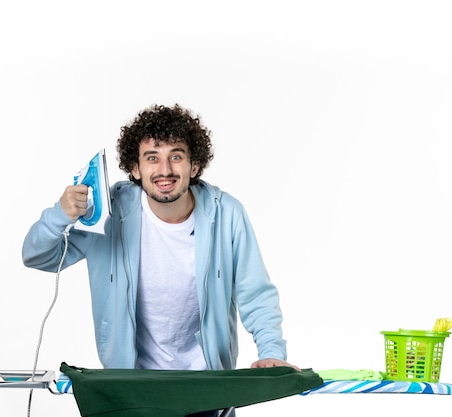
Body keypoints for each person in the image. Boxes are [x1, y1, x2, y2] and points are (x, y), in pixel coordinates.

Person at [22, 104, 298, 378]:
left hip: (209, 386)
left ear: (194, 165)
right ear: (135, 168)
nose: (165, 170)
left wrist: (272, 353)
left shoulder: (227, 214)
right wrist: (60, 215)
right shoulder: (108, 212)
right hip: (132, 385)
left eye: (176, 156)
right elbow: (37, 256)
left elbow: (256, 295)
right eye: (152, 158)